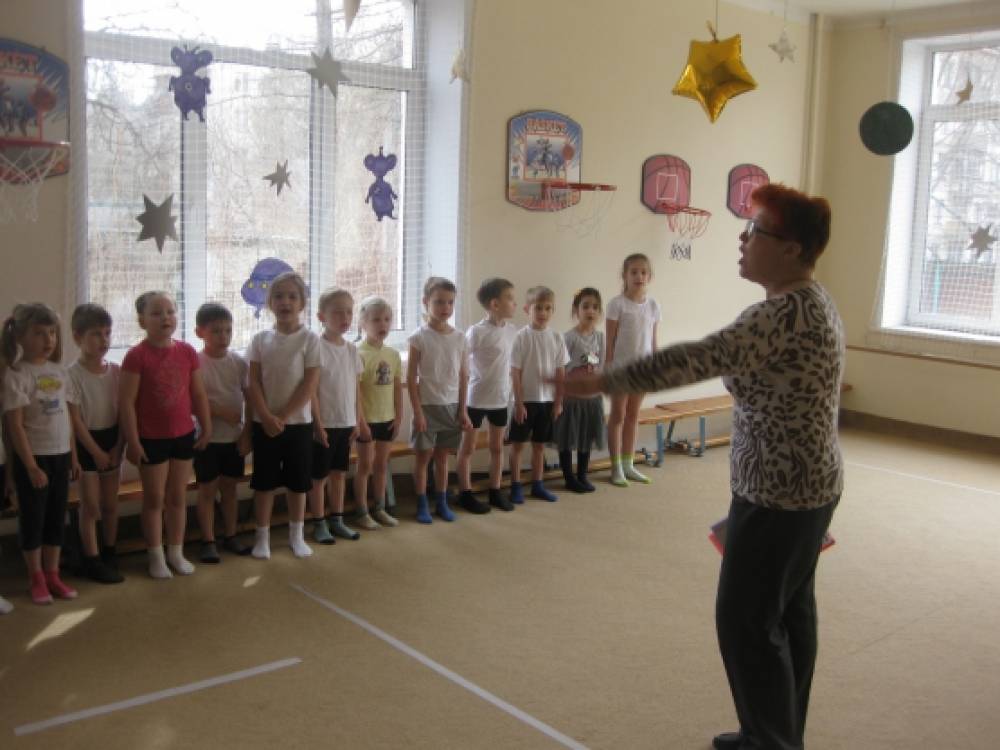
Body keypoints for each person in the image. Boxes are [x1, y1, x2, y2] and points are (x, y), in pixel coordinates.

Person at [561, 184, 843, 750]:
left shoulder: (783, 314)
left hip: (780, 493)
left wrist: (604, 381)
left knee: (747, 620)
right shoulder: (811, 301)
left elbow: (697, 358)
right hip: (802, 485)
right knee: (787, 613)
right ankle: (774, 732)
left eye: (755, 230)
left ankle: (771, 740)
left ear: (791, 249)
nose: (742, 239)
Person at [120, 291, 211, 579]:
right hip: (151, 438)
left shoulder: (187, 352)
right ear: (142, 321)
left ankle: (176, 552)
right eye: (157, 313)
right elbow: (126, 403)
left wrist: (206, 425)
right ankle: (155, 555)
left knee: (177, 497)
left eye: (170, 311)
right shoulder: (136, 356)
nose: (165, 318)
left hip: (183, 434)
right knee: (154, 499)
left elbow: (198, 393)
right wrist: (133, 441)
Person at [2, 303, 80, 604]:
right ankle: (35, 578)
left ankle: (52, 574)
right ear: (21, 336)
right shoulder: (16, 375)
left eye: (52, 333)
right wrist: (31, 466)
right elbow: (15, 426)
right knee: (33, 519)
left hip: (61, 455)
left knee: (56, 518)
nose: (48, 340)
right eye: (39, 333)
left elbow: (67, 418)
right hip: (34, 459)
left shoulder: (59, 371)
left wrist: (73, 456)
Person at [246, 271, 320, 560]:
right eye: (278, 296)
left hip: (298, 424)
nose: (285, 302)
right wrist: (266, 416)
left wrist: (284, 416)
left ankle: (296, 535)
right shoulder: (260, 340)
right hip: (263, 423)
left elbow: (309, 384)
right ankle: (262, 537)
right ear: (269, 302)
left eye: (292, 296)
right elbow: (253, 382)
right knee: (264, 483)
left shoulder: (310, 339)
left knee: (297, 483)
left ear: (302, 303)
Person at [67, 303, 124, 583]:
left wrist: (118, 447)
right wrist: (96, 452)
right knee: (90, 507)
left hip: (112, 440)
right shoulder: (72, 374)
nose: (104, 340)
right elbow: (75, 421)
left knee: (110, 504)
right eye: (96, 334)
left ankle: (110, 551)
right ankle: (92, 559)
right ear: (78, 337)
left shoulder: (116, 371)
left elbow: (124, 413)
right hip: (87, 443)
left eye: (107, 333)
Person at [407, 276, 471, 524]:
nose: (445, 307)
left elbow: (463, 376)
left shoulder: (460, 337)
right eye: (439, 302)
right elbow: (411, 378)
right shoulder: (419, 337)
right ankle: (422, 503)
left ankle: (442, 501)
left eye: (450, 302)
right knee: (424, 457)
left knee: (443, 457)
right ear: (426, 302)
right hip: (427, 407)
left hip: (451, 407)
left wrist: (463, 410)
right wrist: (418, 413)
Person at [192, 303, 252, 563]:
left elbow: (250, 400)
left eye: (228, 330)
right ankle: (208, 541)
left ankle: (231, 535)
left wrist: (247, 434)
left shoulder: (238, 363)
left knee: (229, 489)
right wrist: (218, 412)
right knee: (207, 490)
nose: (223, 336)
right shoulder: (195, 363)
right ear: (200, 332)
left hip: (233, 439)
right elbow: (191, 401)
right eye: (216, 331)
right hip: (206, 439)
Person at [308, 288, 367, 543]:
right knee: (318, 477)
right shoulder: (316, 348)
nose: (345, 317)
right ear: (321, 316)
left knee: (339, 474)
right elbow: (311, 391)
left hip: (346, 422)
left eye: (349, 312)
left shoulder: (352, 350)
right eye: (338, 312)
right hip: (324, 424)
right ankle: (319, 522)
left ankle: (337, 519)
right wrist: (317, 424)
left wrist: (357, 420)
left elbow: (355, 389)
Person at [456, 277, 519, 513]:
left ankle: (495, 490)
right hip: (476, 399)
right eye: (510, 298)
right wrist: (461, 403)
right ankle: (465, 493)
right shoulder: (476, 332)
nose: (514, 303)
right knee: (468, 448)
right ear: (494, 304)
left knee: (497, 447)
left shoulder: (512, 331)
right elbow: (462, 364)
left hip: (501, 399)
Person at [509, 285, 569, 503]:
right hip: (525, 402)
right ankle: (516, 486)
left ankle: (538, 485)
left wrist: (558, 402)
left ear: (553, 310)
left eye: (548, 308)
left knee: (539, 446)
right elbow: (515, 373)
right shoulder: (520, 337)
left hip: (547, 401)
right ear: (527, 309)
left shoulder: (557, 337)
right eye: (538, 308)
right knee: (517, 446)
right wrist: (518, 403)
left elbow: (561, 373)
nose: (543, 313)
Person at [605, 252, 660, 487]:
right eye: (634, 272)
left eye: (643, 272)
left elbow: (653, 340)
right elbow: (610, 341)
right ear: (625, 276)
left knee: (633, 416)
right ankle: (616, 466)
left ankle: (629, 463)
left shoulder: (653, 305)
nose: (639, 276)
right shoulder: (617, 304)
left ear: (649, 276)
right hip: (621, 369)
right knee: (618, 415)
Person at [353, 295, 401, 528]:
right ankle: (362, 511)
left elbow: (397, 388)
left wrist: (399, 416)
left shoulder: (393, 354)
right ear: (363, 323)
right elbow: (355, 392)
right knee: (364, 466)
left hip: (387, 418)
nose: (383, 324)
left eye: (387, 319)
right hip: (367, 421)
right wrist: (361, 422)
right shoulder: (358, 353)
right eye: (376, 320)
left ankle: (379, 508)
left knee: (381, 465)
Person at [552, 288, 605, 493]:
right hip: (571, 399)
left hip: (592, 399)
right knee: (566, 438)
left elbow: (602, 365)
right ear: (576, 310)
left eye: (595, 307)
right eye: (585, 306)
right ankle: (569, 477)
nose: (590, 311)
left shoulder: (600, 338)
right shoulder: (569, 338)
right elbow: (561, 368)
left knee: (586, 438)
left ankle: (582, 475)